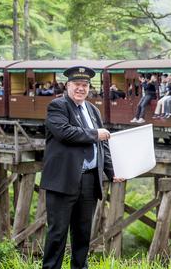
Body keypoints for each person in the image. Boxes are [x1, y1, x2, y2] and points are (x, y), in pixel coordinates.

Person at [41, 66, 125, 269]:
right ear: (67, 85)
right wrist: (95, 133)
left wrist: (112, 172)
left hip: (89, 180)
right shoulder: (57, 106)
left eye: (85, 85)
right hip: (63, 179)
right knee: (57, 232)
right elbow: (65, 133)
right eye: (77, 84)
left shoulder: (93, 110)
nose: (81, 88)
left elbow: (102, 146)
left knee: (83, 232)